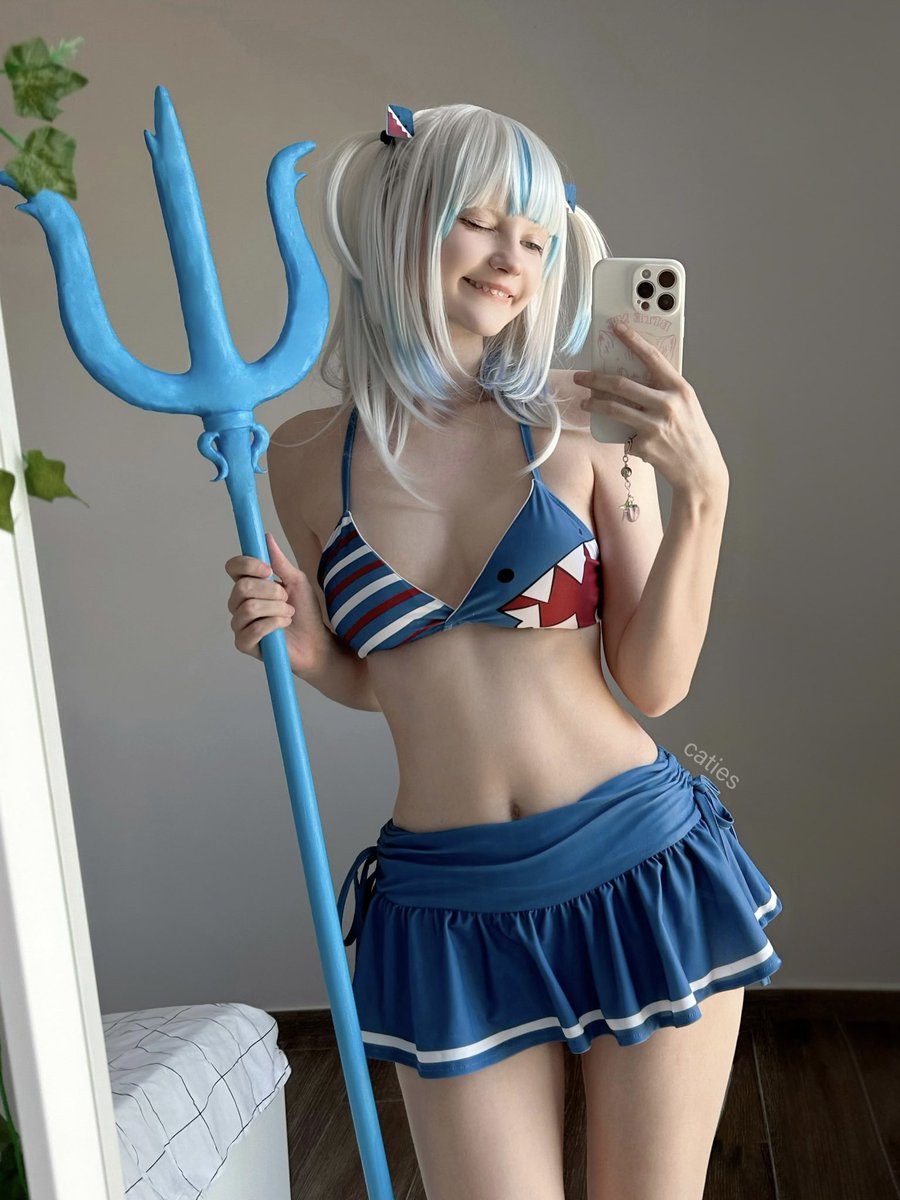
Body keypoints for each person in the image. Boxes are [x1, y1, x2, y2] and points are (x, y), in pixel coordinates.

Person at [224, 103, 783, 1200]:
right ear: (403, 218)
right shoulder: (299, 456)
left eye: (535, 236)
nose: (511, 259)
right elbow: (390, 680)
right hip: (446, 911)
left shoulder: (589, 418)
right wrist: (305, 653)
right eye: (480, 222)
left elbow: (656, 681)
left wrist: (705, 496)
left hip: (636, 864)